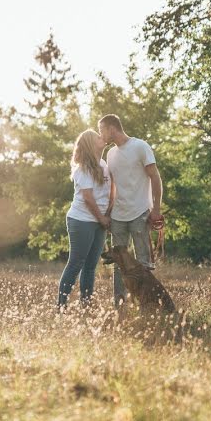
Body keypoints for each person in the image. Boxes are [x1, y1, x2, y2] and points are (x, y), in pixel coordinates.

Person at [97, 114, 163, 307]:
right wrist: (108, 211)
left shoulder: (140, 147)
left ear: (111, 128)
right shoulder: (110, 154)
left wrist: (156, 209)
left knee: (143, 264)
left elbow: (155, 177)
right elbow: (113, 186)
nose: (101, 135)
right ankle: (120, 305)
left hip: (140, 212)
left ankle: (145, 305)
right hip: (118, 216)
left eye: (101, 130)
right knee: (119, 262)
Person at [57, 129, 112, 310]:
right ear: (90, 144)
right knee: (76, 263)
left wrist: (108, 215)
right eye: (97, 136)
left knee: (90, 266)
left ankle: (85, 306)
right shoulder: (83, 169)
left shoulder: (103, 164)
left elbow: (109, 194)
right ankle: (61, 306)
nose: (101, 137)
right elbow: (88, 198)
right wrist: (102, 219)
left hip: (99, 221)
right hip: (82, 220)